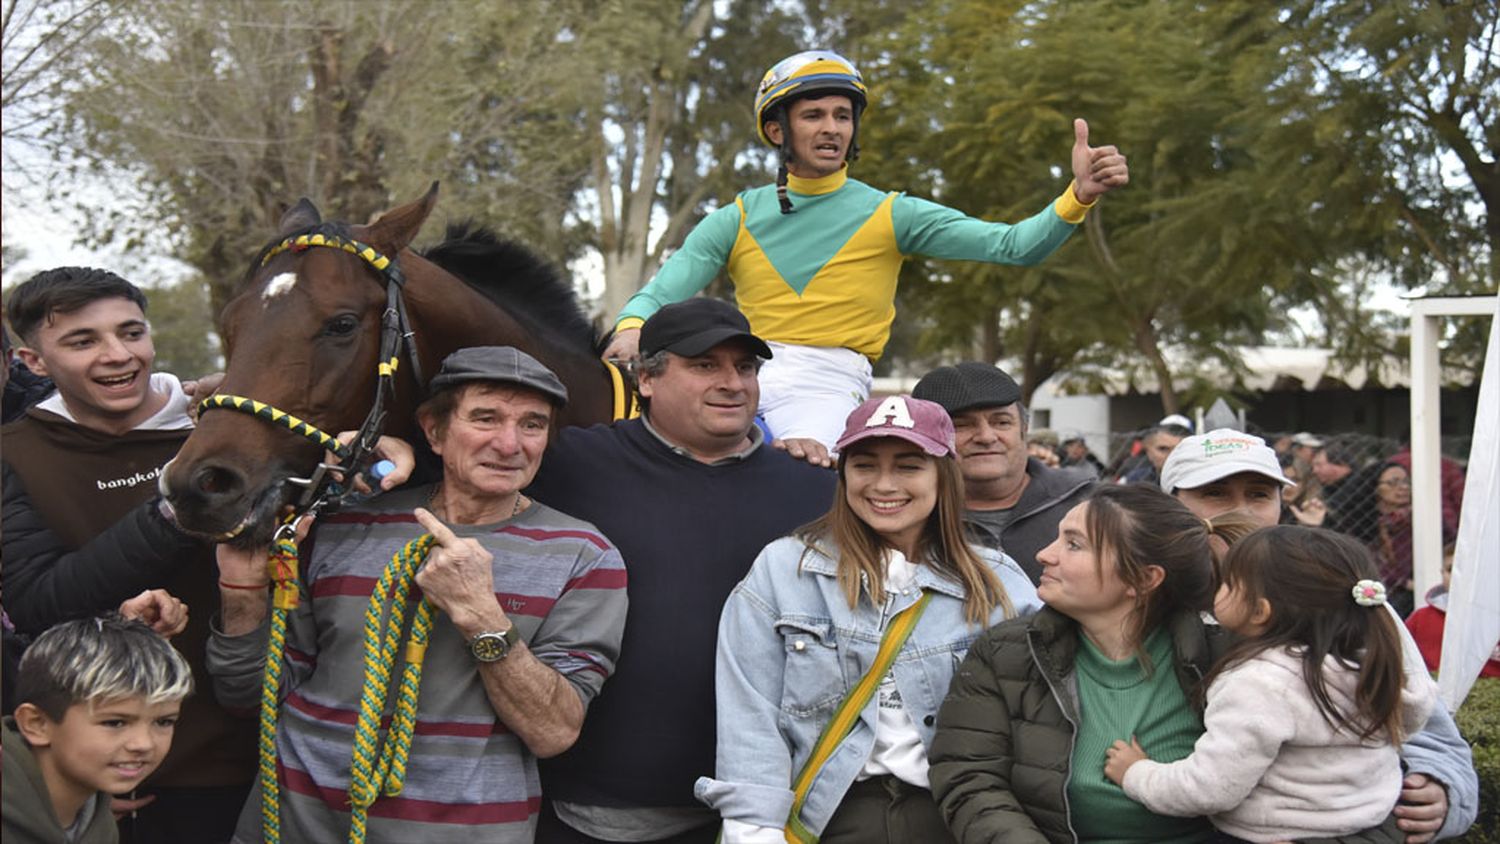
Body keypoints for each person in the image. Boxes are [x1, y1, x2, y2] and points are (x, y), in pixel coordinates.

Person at [601, 49, 1129, 450]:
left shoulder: (892, 213)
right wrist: (630, 325)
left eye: (842, 115)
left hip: (829, 380)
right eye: (814, 115)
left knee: (798, 467)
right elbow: (664, 289)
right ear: (776, 129)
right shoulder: (736, 216)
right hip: (745, 368)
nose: (831, 127)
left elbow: (1015, 246)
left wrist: (1077, 195)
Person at [207, 347, 628, 843]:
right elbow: (251, 698)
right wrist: (241, 589)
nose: (510, 443)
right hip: (293, 825)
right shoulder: (346, 526)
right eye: (485, 418)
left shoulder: (585, 556)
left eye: (532, 425)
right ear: (433, 429)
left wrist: (480, 615)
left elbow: (553, 731)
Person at [528, 299, 837, 843]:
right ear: (646, 378)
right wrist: (388, 453)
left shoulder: (813, 485)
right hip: (591, 811)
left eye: (746, 368)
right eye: (704, 365)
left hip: (762, 814)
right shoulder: (571, 464)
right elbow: (461, 464)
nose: (733, 383)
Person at [696, 394, 1039, 842]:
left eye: (908, 466)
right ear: (843, 474)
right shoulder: (785, 570)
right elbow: (750, 715)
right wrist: (753, 830)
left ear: (944, 476)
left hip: (956, 817)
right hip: (828, 815)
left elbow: (1037, 719)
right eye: (864, 465)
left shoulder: (999, 583)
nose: (883, 484)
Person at [2, 266, 258, 840]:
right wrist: (178, 501)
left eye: (131, 332)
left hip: (255, 759)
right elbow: (38, 602)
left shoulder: (228, 424)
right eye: (82, 341)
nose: (117, 355)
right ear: (33, 362)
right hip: (101, 772)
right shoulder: (15, 454)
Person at [1161, 428, 1480, 843]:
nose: (1241, 511)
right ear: (1171, 506)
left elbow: (1427, 727)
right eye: (1215, 494)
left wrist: (1442, 786)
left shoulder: (1342, 597)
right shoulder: (1142, 594)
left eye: (1259, 495)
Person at [929, 484, 1256, 843]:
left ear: (1143, 579)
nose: (1044, 554)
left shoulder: (1227, 657)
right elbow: (970, 779)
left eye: (1074, 544)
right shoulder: (1006, 654)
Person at [1103, 527, 1438, 842]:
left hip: (1277, 833)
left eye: (1228, 584)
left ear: (1260, 611)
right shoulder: (1372, 662)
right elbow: (1411, 723)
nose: (1217, 590)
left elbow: (1209, 788)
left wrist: (1136, 774)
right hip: (1374, 827)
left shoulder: (1260, 684)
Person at [3, 615, 194, 844]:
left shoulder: (95, 816)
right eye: (115, 722)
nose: (144, 743)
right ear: (36, 724)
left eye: (163, 722)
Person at [911, 361, 1092, 583]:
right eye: (961, 425)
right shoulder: (904, 520)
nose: (986, 437)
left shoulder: (1090, 503)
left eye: (1002, 422)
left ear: (1024, 431)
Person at [1406, 544, 1500, 679]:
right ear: (1442, 573)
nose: (1458, 576)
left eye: (1466, 569)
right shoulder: (1421, 619)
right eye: (1451, 569)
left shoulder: (1495, 619)